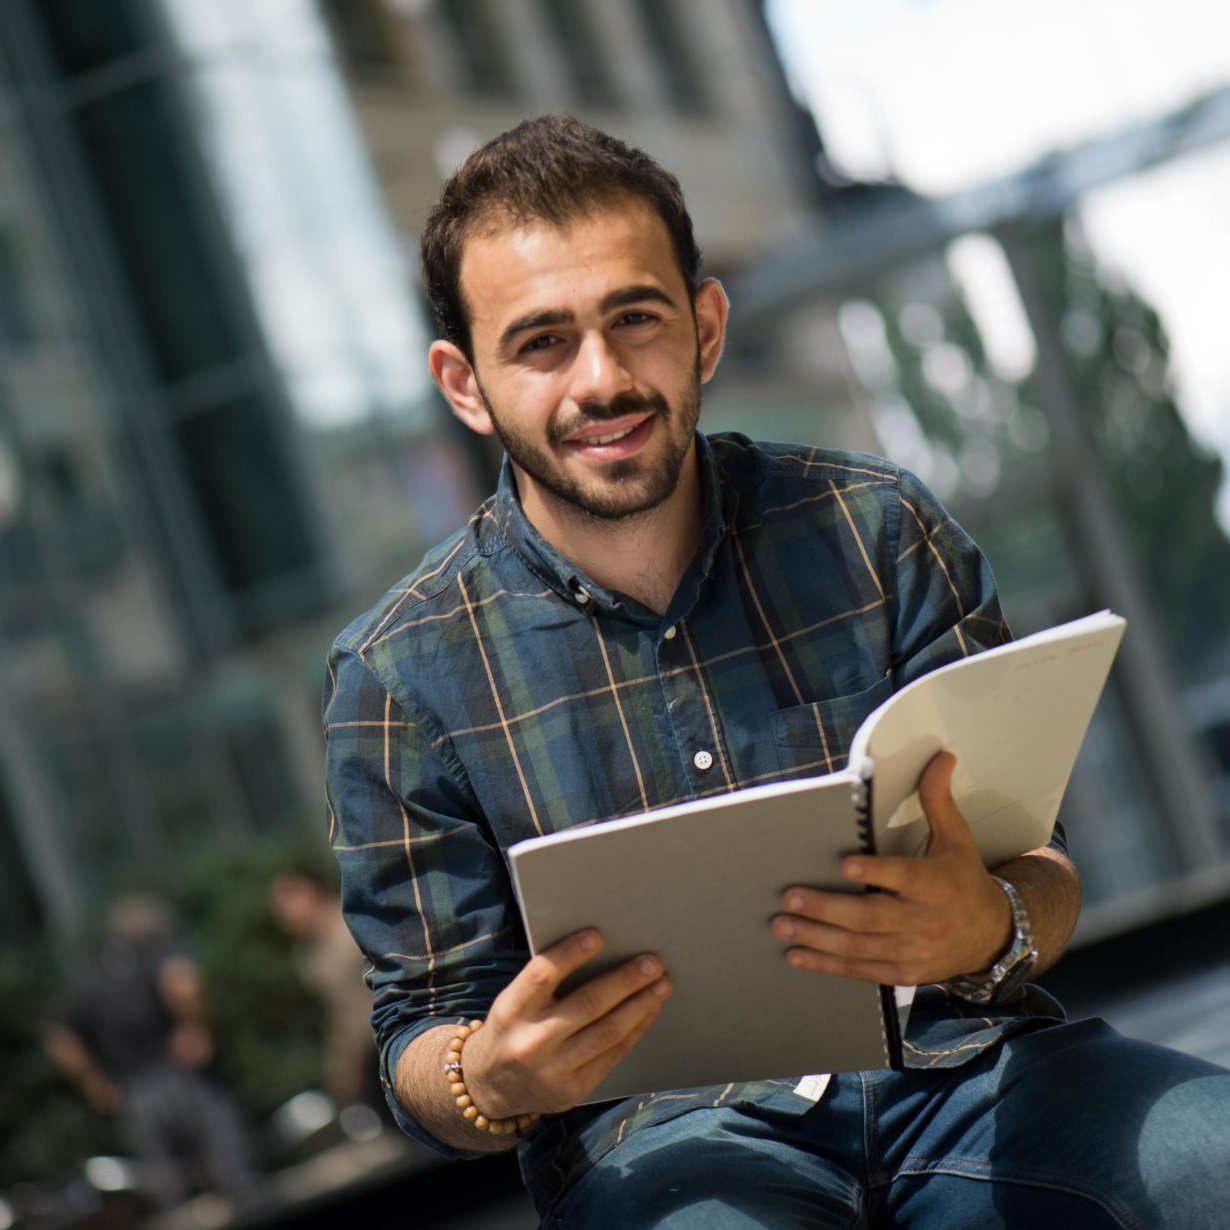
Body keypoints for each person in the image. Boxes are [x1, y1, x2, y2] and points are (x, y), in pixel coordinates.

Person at [323, 114, 1230, 1227]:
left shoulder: (875, 528)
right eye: (542, 342)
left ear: (705, 327)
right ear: (465, 384)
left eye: (635, 319)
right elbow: (419, 1036)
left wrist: (991, 925)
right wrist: (492, 1079)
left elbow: (1041, 866)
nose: (602, 379)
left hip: (966, 1075)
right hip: (666, 1140)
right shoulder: (397, 677)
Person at [43, 893, 266, 1213]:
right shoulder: (155, 954)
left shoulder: (91, 978)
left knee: (172, 1192)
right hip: (181, 1075)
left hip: (134, 1094)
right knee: (236, 1170)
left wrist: (91, 1078)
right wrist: (194, 1027)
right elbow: (182, 982)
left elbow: (59, 1036)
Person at [268, 863, 386, 1116]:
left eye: (288, 900)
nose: (283, 915)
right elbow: (337, 1017)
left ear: (310, 891)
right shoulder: (306, 954)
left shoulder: (352, 924)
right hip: (368, 1056)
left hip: (396, 1035)